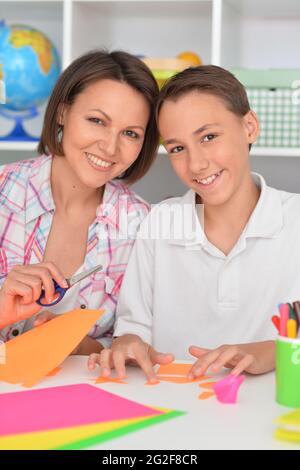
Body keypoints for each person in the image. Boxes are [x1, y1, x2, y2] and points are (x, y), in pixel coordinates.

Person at [88, 65, 300, 378]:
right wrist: (129, 343)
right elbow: (133, 330)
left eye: (209, 137)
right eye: (177, 148)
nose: (196, 163)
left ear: (250, 127)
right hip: (174, 410)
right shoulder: (159, 222)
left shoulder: (294, 218)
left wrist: (269, 352)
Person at [0, 49, 159, 355]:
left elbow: (129, 340)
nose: (110, 147)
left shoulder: (141, 224)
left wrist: (75, 343)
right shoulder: (4, 191)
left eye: (130, 133)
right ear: (62, 113)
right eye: (97, 120)